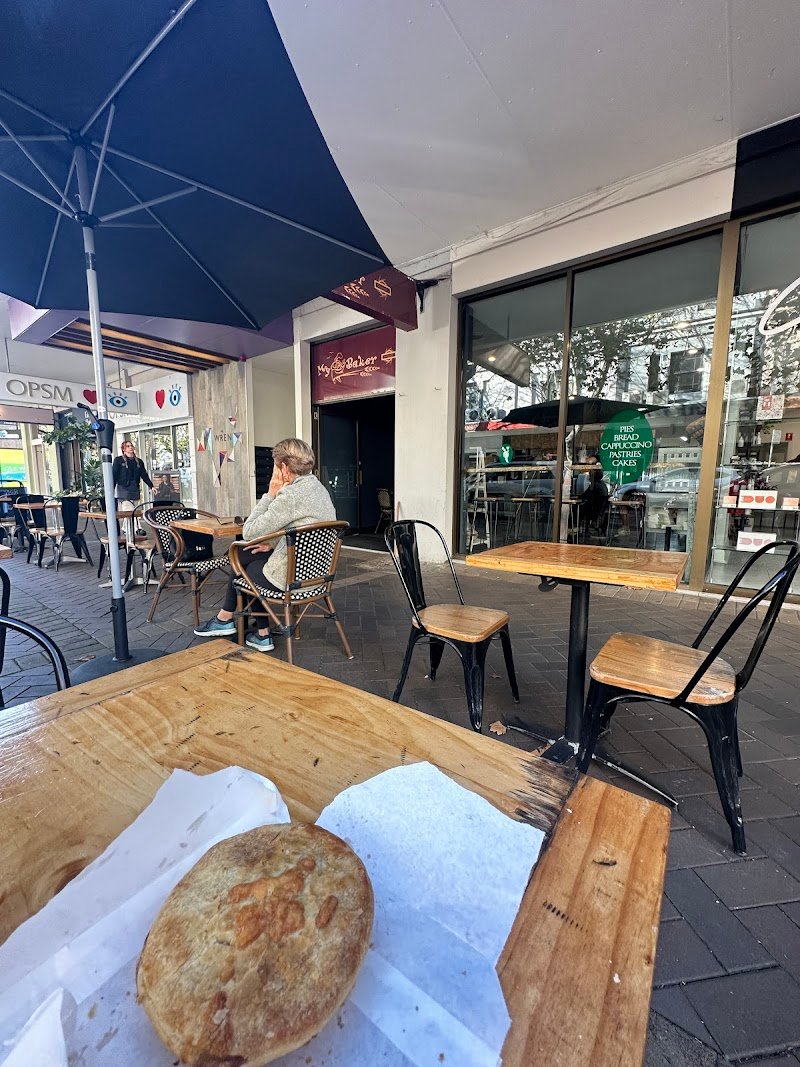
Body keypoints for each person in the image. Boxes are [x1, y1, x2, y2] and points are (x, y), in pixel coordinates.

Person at [193, 438, 335, 652]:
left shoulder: (291, 495)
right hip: (318, 575)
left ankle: (241, 625)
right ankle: (252, 630)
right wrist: (273, 544)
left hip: (292, 579)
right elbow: (304, 528)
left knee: (243, 565)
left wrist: (270, 493)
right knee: (245, 554)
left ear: (284, 468)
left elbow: (249, 531)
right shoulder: (319, 489)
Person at [112, 441, 153, 539]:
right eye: (128, 446)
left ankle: (125, 528)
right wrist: (111, 490)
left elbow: (144, 475)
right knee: (129, 510)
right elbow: (114, 476)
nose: (130, 447)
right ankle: (137, 528)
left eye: (131, 446)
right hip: (123, 490)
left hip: (134, 489)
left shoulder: (138, 462)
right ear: (123, 449)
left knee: (132, 511)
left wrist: (151, 486)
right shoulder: (118, 460)